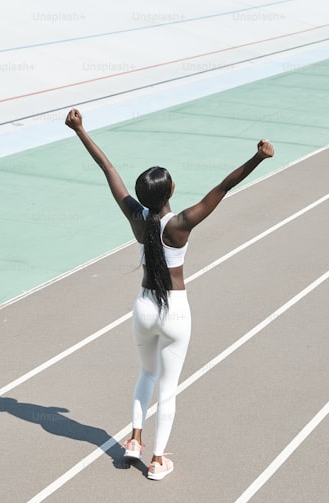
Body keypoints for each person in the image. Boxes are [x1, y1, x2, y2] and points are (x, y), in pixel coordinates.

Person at [65, 108, 273, 480]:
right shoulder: (181, 223)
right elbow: (224, 188)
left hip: (144, 307)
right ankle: (158, 461)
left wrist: (80, 129)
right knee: (169, 388)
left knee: (146, 374)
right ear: (169, 192)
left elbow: (107, 168)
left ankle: (134, 440)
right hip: (175, 310)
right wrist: (257, 157)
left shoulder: (135, 217)